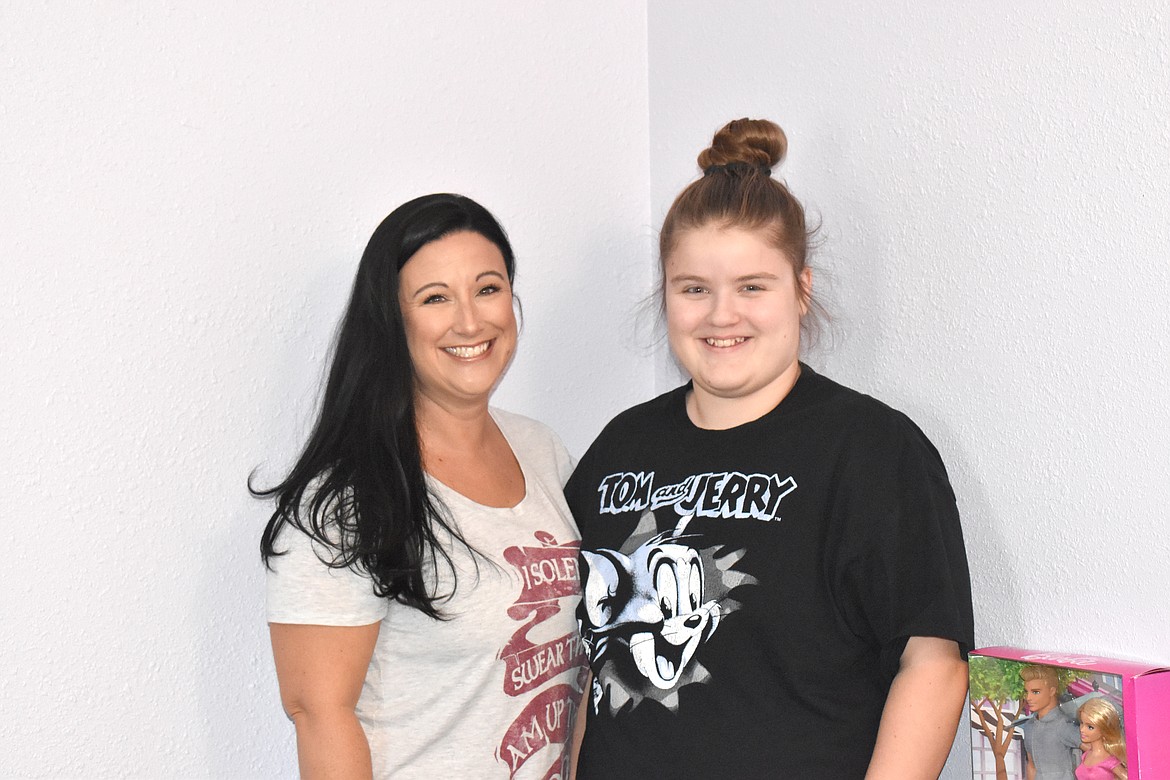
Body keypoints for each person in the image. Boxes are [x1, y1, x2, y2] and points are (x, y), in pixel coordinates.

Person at [565, 118, 974, 778]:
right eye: (694, 288)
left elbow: (932, 664)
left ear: (801, 291)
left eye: (753, 287)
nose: (721, 315)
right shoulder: (620, 447)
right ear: (666, 294)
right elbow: (601, 670)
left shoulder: (873, 450)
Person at [255, 194, 586, 779]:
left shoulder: (544, 451)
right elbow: (317, 711)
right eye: (435, 298)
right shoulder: (347, 499)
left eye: (488, 288)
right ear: (392, 320)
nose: (470, 321)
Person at [1019, 665, 1081, 779]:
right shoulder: (1029, 726)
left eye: (1035, 692)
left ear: (1052, 691)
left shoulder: (1062, 724)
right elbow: (1031, 766)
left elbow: (1096, 751)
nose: (1028, 698)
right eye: (1026, 692)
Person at [1075, 698, 1128, 780]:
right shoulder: (1086, 755)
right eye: (1082, 723)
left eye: (1090, 727)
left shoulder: (1109, 761)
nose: (1082, 729)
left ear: (1104, 729)